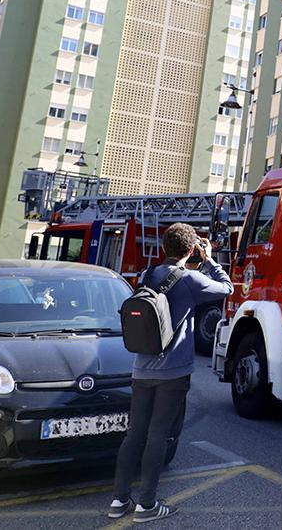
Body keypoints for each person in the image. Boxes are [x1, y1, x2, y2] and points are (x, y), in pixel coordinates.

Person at [109, 223, 233, 522]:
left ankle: (118, 501)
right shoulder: (191, 279)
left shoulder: (147, 274)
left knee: (134, 434)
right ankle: (147, 505)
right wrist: (210, 258)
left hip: (142, 367)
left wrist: (194, 256)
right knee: (158, 435)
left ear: (164, 247)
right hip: (173, 371)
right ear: (191, 249)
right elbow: (226, 287)